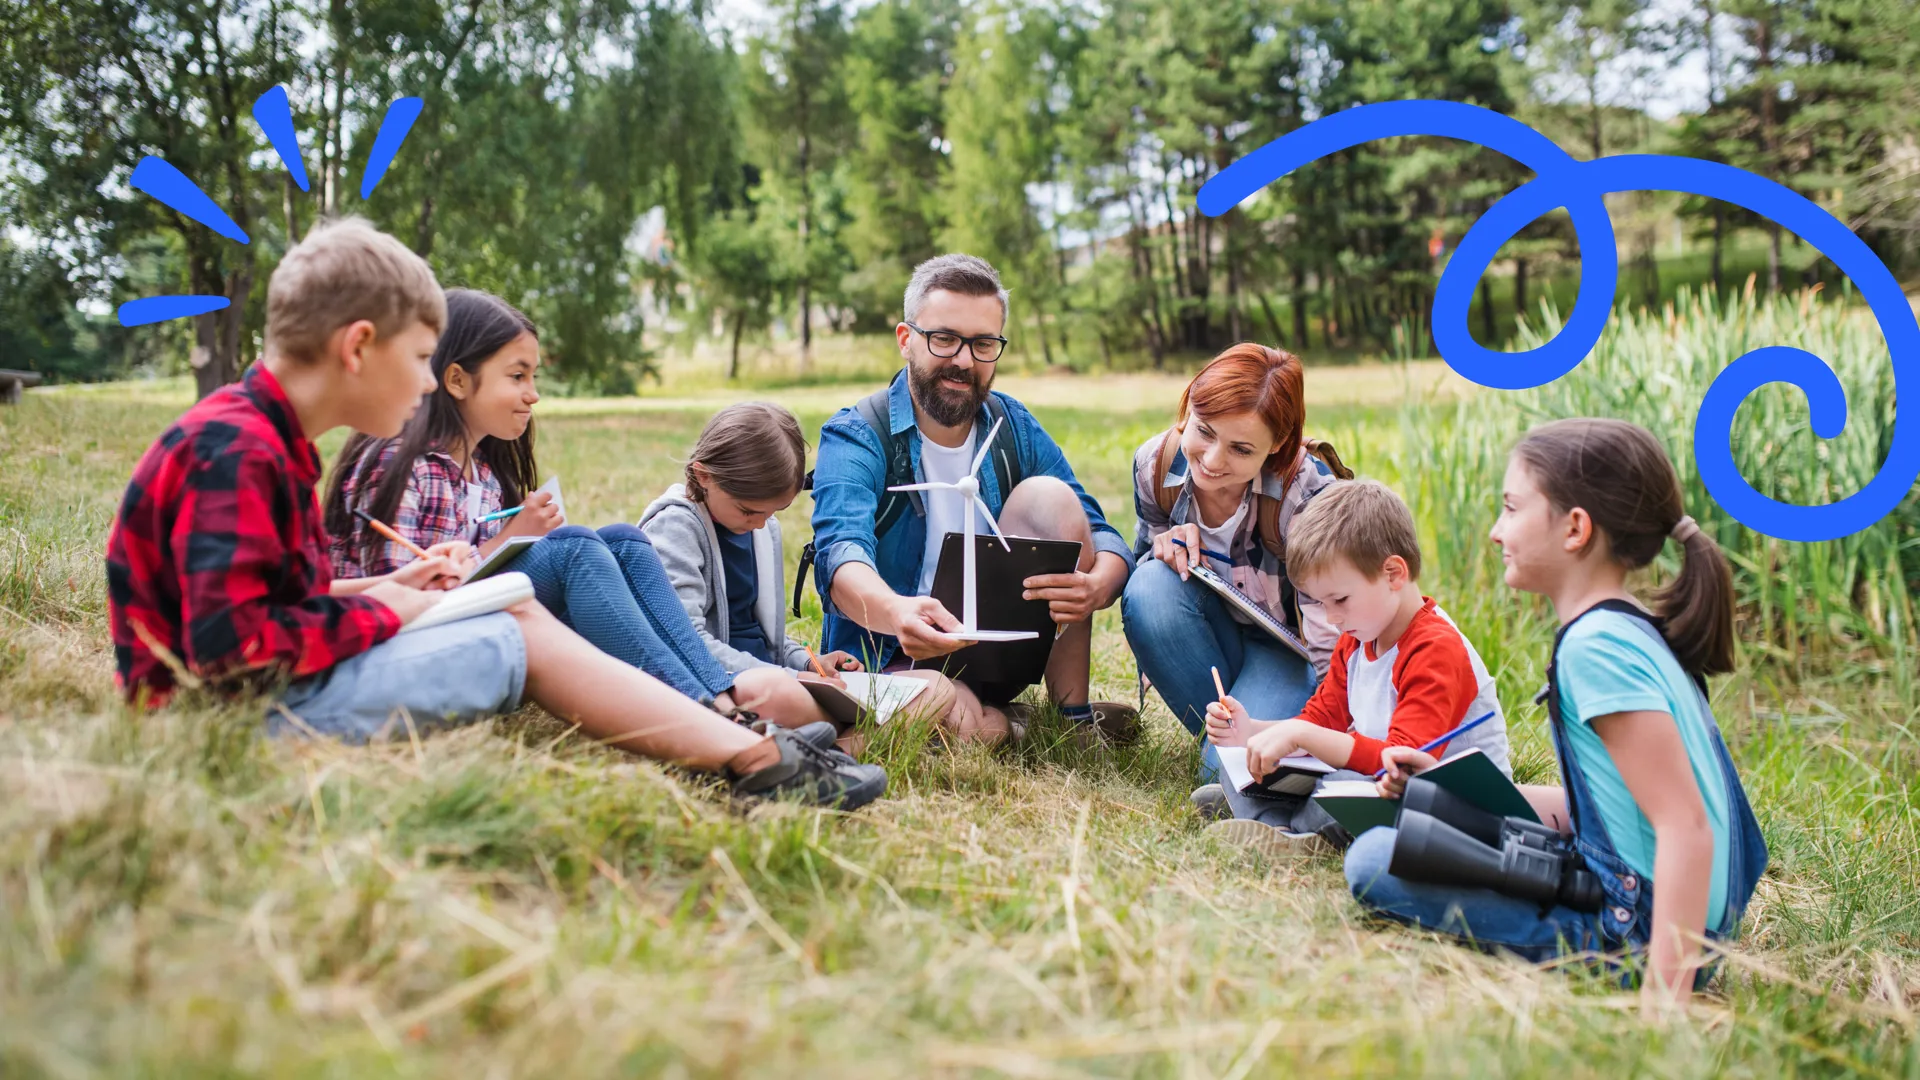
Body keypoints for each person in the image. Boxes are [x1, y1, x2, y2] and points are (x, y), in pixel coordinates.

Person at [106, 217, 884, 809]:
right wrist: (395, 609)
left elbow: (275, 606)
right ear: (357, 347)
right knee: (512, 626)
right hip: (227, 721)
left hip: (255, 695)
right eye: (416, 360)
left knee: (513, 607)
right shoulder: (238, 452)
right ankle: (747, 757)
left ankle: (738, 741)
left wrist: (392, 590)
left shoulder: (262, 440)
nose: (422, 384)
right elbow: (231, 654)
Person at [1344, 418, 1768, 1006]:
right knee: (1422, 824)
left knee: (1374, 860)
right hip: (1656, 908)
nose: (1496, 532)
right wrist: (1460, 792)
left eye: (1512, 508)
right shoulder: (1626, 628)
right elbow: (1616, 810)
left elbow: (1685, 826)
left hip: (1636, 933)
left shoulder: (1597, 650)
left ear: (1575, 528)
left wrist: (1662, 1002)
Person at [322, 288, 825, 733]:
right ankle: (706, 713)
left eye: (533, 375)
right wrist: (507, 541)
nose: (533, 394)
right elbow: (403, 598)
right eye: (517, 375)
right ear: (457, 380)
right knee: (574, 549)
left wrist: (506, 543)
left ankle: (719, 693)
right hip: (405, 644)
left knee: (625, 539)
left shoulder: (480, 473)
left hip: (473, 615)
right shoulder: (406, 466)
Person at [807, 253, 1137, 744]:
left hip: (996, 653)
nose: (963, 360)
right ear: (906, 339)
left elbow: (1099, 530)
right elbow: (840, 555)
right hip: (891, 654)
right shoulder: (859, 433)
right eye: (944, 339)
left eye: (983, 344)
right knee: (967, 727)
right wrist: (898, 612)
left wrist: (1096, 586)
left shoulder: (1011, 425)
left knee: (1053, 497)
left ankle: (1071, 720)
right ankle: (1004, 722)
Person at [1199, 479, 1510, 855]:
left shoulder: (1435, 649)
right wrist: (1252, 732)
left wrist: (1301, 736)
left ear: (1393, 574)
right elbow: (1323, 718)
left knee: (1342, 783)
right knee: (1256, 768)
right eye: (1320, 602)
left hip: (1447, 807)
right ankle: (1276, 821)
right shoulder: (1361, 636)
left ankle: (1280, 828)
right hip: (1381, 782)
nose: (1331, 618)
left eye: (1340, 599)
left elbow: (1403, 765)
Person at [639, 402, 960, 733]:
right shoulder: (676, 527)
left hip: (780, 678)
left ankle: (835, 744)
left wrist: (809, 662)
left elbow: (764, 636)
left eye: (775, 511)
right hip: (726, 684)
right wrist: (791, 677)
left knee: (935, 688)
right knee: (777, 695)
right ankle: (840, 737)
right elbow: (683, 642)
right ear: (704, 475)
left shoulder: (761, 530)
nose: (761, 524)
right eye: (749, 511)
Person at [1120, 344, 1351, 780]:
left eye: (1241, 450)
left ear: (1277, 444)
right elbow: (1142, 579)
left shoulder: (1305, 493)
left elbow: (1333, 630)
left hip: (1286, 654)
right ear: (1189, 405)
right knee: (1150, 582)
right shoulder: (1155, 464)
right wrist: (1163, 550)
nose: (1211, 460)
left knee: (1226, 779)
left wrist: (1337, 734)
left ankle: (1233, 753)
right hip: (1206, 634)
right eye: (1204, 431)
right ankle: (1230, 744)